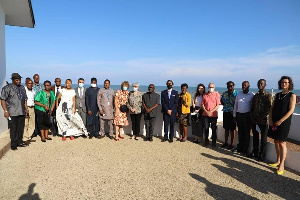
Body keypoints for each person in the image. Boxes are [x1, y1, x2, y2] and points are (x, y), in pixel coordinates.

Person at [268, 76, 296, 175]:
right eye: (283, 82)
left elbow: (291, 110)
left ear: (289, 84)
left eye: (286, 82)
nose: (284, 84)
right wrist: (270, 119)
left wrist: (281, 121)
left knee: (282, 142)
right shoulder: (277, 95)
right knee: (276, 141)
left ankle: (282, 164)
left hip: (284, 122)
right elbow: (272, 108)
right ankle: (278, 160)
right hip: (274, 121)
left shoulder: (292, 95)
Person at [1, 73, 29, 150]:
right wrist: (5, 111)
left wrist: (26, 109)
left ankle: (19, 142)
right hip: (12, 112)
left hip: (22, 111)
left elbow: (25, 99)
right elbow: (3, 100)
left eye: (19, 80)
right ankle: (13, 144)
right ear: (13, 80)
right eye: (17, 80)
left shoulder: (22, 88)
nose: (18, 81)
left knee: (20, 128)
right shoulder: (7, 88)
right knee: (13, 128)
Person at [250, 79, 272, 161]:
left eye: (262, 84)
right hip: (255, 121)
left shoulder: (268, 96)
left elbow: (268, 109)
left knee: (263, 139)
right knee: (255, 138)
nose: (260, 85)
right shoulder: (256, 96)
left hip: (263, 121)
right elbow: (252, 107)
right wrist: (252, 117)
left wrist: (260, 118)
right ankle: (255, 152)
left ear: (265, 85)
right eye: (259, 83)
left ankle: (261, 155)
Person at [233, 81, 254, 155]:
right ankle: (240, 148)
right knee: (240, 132)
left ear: (249, 86)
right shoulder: (239, 94)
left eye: (245, 85)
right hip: (239, 115)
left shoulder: (251, 95)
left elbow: (253, 106)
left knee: (246, 133)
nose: (244, 86)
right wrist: (234, 115)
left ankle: (245, 150)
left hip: (247, 116)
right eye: (243, 85)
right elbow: (236, 105)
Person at [202, 83, 221, 147]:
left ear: (214, 87)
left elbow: (218, 105)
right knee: (206, 128)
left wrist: (211, 111)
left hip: (214, 115)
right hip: (205, 114)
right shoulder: (205, 95)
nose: (211, 88)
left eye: (212, 87)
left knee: (213, 128)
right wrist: (207, 111)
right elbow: (202, 104)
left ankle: (213, 142)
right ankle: (206, 141)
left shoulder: (217, 94)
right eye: (210, 87)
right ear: (208, 87)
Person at [220, 81, 238, 150]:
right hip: (226, 112)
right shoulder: (225, 94)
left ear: (233, 86)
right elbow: (222, 101)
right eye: (228, 86)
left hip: (233, 113)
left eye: (231, 86)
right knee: (226, 128)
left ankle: (232, 144)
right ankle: (226, 142)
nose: (230, 88)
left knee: (232, 129)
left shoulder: (236, 94)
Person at [23, 78, 36, 145]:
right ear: (26, 83)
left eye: (31, 83)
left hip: (32, 108)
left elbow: (34, 100)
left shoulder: (33, 91)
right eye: (29, 83)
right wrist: (26, 109)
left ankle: (29, 137)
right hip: (26, 108)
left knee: (32, 123)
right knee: (25, 124)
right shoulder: (24, 90)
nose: (30, 85)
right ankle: (24, 138)